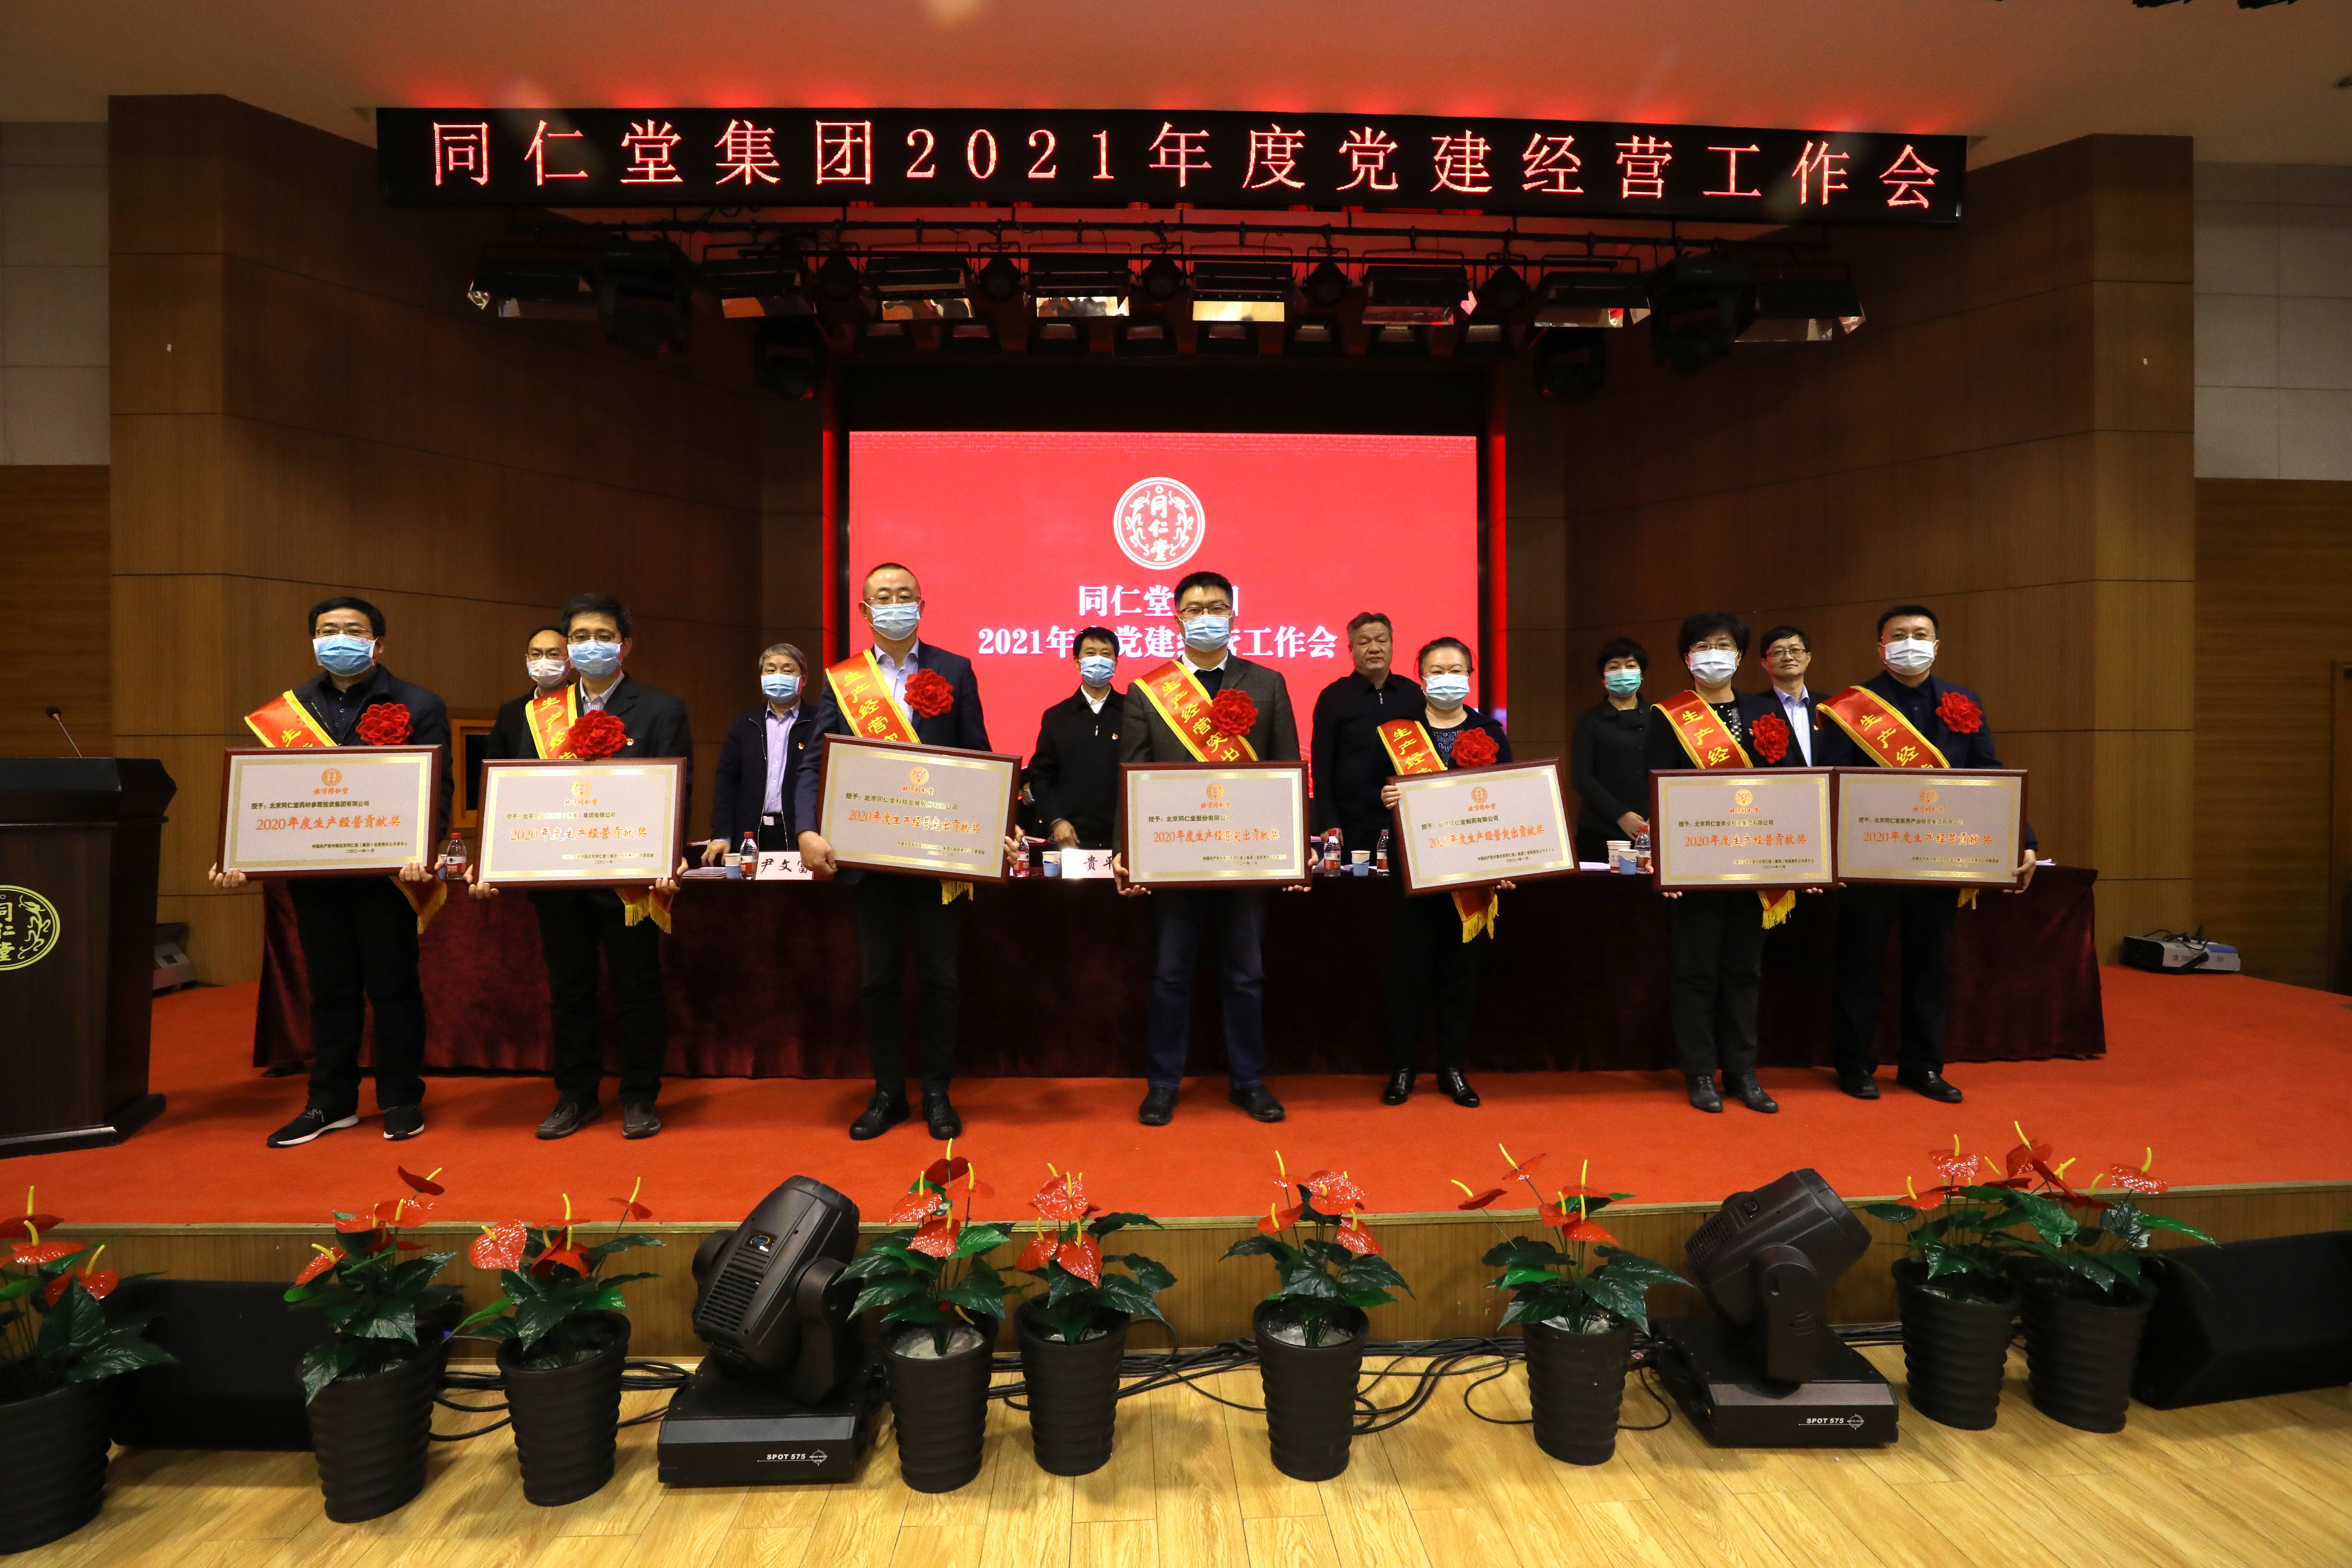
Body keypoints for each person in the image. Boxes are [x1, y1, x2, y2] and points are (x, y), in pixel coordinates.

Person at [210, 596, 451, 1148]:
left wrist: (423, 844)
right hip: (316, 875)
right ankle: (331, 1101)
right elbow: (272, 796)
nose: (339, 638)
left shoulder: (418, 703)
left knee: (393, 986)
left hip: (387, 874)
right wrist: (240, 853)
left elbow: (438, 788)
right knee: (329, 990)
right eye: (328, 630)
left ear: (377, 643)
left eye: (353, 630)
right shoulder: (288, 713)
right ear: (314, 641)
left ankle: (401, 1098)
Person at [470, 593, 690, 1141]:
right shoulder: (531, 714)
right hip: (558, 876)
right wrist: (491, 857)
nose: (593, 646)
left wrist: (670, 854)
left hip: (630, 877)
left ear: (625, 645)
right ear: (568, 647)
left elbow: (677, 791)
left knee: (637, 987)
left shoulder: (661, 708)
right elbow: (504, 793)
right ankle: (576, 1096)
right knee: (568, 988)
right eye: (581, 637)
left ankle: (640, 1096)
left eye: (604, 637)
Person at [797, 563, 1001, 1142]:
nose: (895, 604)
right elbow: (814, 763)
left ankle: (937, 1093)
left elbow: (978, 756)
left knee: (940, 979)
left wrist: (989, 826)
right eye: (883, 597)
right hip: (869, 856)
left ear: (921, 605)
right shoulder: (844, 680)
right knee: (879, 979)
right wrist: (807, 830)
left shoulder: (954, 670)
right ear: (865, 610)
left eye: (904, 595)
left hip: (939, 856)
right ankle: (888, 1093)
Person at [1816, 604, 2039, 1105]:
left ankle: (1923, 1066)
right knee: (1860, 966)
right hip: (1871, 862)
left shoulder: (1964, 701)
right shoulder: (1852, 706)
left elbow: (1989, 774)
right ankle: (1855, 1065)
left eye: (1921, 634)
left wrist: (2022, 839)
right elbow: (1831, 782)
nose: (1910, 643)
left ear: (1937, 646)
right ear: (1881, 647)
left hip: (1939, 859)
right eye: (1899, 635)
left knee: (1931, 968)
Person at [1116, 569, 1301, 1127]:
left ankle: (1248, 1081)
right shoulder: (1149, 690)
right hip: (1175, 856)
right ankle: (1163, 1085)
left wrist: (1296, 845)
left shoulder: (1267, 683)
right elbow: (1132, 776)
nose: (1206, 617)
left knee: (1246, 975)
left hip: (1247, 858)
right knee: (1170, 974)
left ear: (1234, 615)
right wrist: (1128, 850)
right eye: (1194, 609)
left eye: (1216, 607)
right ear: (1176, 617)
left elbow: (1287, 768)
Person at [1643, 612, 1784, 1116]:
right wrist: (1667, 863)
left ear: (1740, 655)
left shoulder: (1765, 710)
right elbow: (1655, 786)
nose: (1713, 654)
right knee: (1695, 972)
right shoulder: (1669, 715)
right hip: (1696, 865)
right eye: (1702, 646)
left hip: (1754, 864)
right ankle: (1700, 1072)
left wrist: (1802, 861)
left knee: (1745, 971)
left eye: (1723, 645)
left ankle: (1743, 1072)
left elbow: (1791, 784)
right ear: (1687, 657)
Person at [1372, 637, 1512, 1108]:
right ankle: (1404, 1069)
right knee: (1408, 974)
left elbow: (1510, 799)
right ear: (1421, 677)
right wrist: (1383, 797)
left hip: (1470, 874)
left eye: (1456, 670)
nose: (1446, 679)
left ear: (1470, 677)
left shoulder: (1490, 732)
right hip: (1412, 872)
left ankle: (1453, 1069)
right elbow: (1366, 788)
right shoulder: (1397, 732)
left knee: (1460, 975)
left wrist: (1509, 860)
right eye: (1437, 671)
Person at [1311, 612, 1422, 855]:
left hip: (1406, 815)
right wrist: (1328, 820)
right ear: (1350, 650)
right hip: (1352, 820)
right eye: (1364, 642)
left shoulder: (1414, 694)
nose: (1374, 649)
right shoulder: (1334, 697)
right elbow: (1322, 766)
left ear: (1392, 645)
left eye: (1381, 641)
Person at [707, 642, 820, 861]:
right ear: (762, 677)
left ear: (803, 679)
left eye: (787, 670)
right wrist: (722, 834)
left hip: (803, 834)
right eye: (771, 670)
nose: (778, 676)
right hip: (750, 834)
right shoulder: (744, 723)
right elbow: (727, 782)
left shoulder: (819, 723)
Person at [1028, 626, 1125, 852]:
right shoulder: (1056, 717)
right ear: (1077, 662)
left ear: (1116, 662)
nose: (1099, 660)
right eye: (1091, 653)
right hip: (1071, 839)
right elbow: (1041, 777)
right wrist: (1056, 821)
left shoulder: (1133, 712)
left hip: (1124, 837)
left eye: (1106, 654)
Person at [1571, 637, 1652, 864]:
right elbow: (1581, 776)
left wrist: (1657, 817)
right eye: (1614, 667)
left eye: (1631, 666)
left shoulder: (1659, 716)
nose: (1623, 672)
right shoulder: (1590, 720)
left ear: (1642, 674)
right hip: (1600, 831)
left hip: (1651, 829)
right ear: (1604, 678)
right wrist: (1621, 816)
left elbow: (1670, 770)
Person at [1758, 625, 1822, 766]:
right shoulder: (1755, 708)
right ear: (1764, 663)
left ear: (1808, 658)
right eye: (1778, 653)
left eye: (1796, 650)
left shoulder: (1828, 707)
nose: (1788, 657)